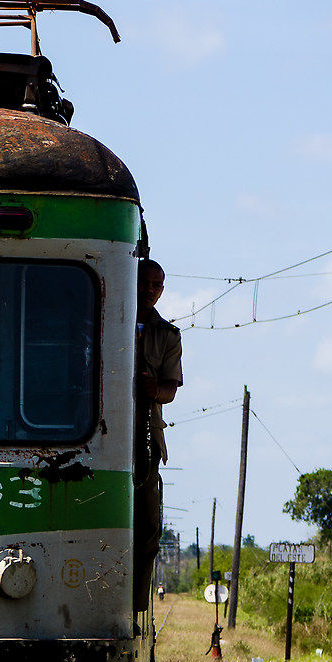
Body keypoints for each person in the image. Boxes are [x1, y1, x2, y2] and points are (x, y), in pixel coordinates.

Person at [133, 257, 183, 608]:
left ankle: (135, 606)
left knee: (148, 531)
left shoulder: (167, 335)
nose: (151, 290)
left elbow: (171, 390)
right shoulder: (101, 316)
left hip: (146, 437)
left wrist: (153, 390)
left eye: (157, 285)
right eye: (146, 283)